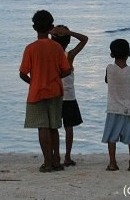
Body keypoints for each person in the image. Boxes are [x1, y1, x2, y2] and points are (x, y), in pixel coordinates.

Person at [19, 10, 71, 173]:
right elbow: (67, 70)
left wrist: (33, 82)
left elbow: (22, 73)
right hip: (55, 91)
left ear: (34, 27)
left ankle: (47, 162)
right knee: (54, 126)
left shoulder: (30, 48)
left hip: (36, 93)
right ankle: (56, 160)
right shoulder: (57, 47)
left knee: (42, 127)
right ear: (51, 27)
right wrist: (56, 76)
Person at [51, 25, 88, 167]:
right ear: (68, 42)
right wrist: (69, 32)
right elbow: (84, 39)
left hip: (54, 96)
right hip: (68, 97)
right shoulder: (69, 56)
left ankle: (56, 156)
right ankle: (67, 156)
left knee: (53, 128)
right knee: (68, 128)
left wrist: (51, 32)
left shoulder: (50, 55)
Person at [102, 39, 130, 172]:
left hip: (113, 108)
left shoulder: (109, 68)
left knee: (111, 138)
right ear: (129, 53)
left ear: (112, 55)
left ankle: (112, 163)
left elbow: (107, 81)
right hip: (128, 109)